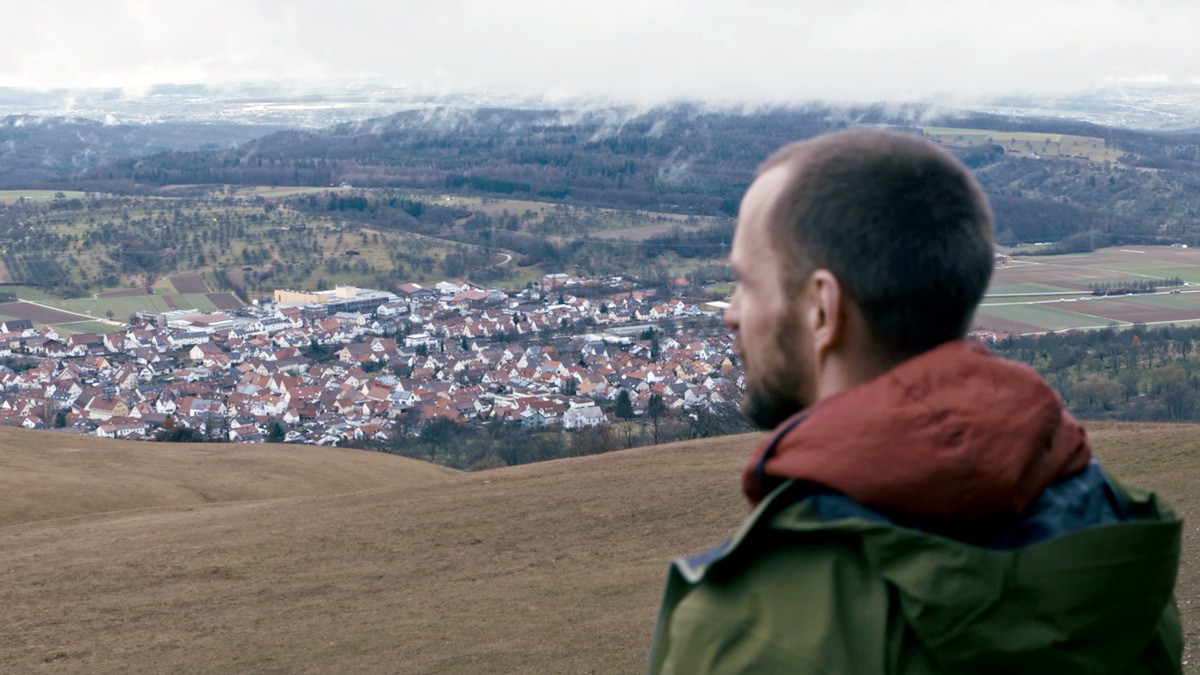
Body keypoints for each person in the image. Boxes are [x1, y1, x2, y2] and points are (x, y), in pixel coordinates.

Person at [648, 129, 1182, 674]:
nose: (730, 313)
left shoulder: (747, 629)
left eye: (745, 283)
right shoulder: (1118, 541)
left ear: (821, 310)